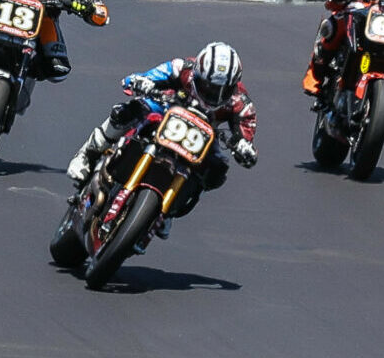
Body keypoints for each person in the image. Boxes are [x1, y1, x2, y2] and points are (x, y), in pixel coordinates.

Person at [65, 43, 258, 225]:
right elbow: (146, 77)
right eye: (208, 86)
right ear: (198, 74)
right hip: (168, 108)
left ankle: (170, 209)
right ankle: (87, 154)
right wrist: (141, 82)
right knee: (125, 111)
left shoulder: (241, 103)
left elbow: (246, 135)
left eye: (222, 90)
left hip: (205, 134)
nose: (214, 95)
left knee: (217, 171)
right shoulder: (182, 68)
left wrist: (243, 146)